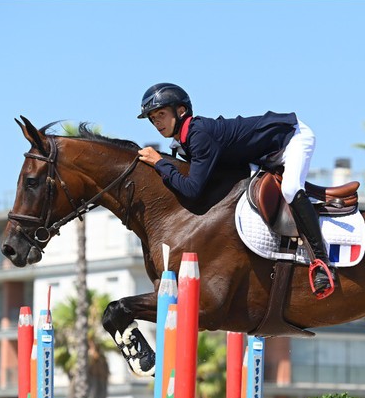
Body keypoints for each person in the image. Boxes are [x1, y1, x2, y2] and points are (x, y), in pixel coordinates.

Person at [136, 82, 336, 298]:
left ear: (181, 110)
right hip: (262, 156)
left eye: (161, 114)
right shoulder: (183, 143)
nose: (157, 122)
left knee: (290, 188)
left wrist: (159, 163)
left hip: (291, 138)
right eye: (152, 118)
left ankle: (322, 263)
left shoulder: (199, 134)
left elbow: (192, 189)